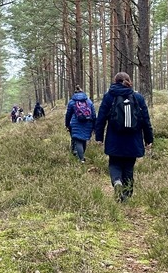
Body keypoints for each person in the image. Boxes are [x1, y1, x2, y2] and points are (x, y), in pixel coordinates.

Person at [94, 72, 154, 202]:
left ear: (115, 81)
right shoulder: (138, 97)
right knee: (129, 167)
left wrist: (99, 137)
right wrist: (149, 139)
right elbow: (145, 120)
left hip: (114, 140)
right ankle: (126, 197)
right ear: (129, 81)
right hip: (133, 140)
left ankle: (116, 181)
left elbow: (101, 118)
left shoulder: (109, 96)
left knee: (114, 163)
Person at [64, 86, 95, 163]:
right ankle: (82, 156)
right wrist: (94, 125)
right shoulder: (89, 101)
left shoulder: (72, 102)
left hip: (76, 123)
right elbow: (94, 114)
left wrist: (67, 124)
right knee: (83, 140)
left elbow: (68, 114)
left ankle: (81, 159)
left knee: (78, 141)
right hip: (88, 123)